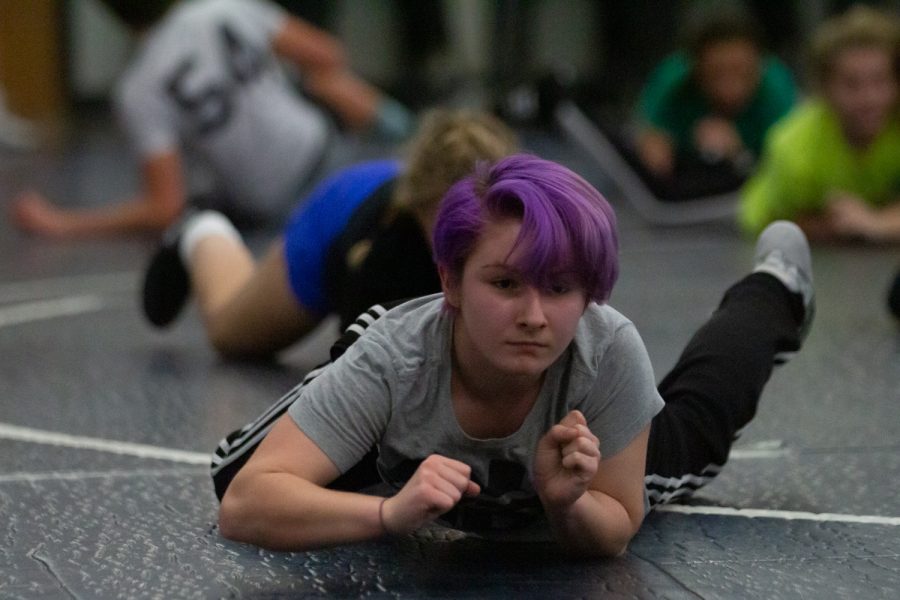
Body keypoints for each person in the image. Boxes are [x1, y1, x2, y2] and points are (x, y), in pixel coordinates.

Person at [210, 154, 815, 556]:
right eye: (504, 284)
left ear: (588, 295)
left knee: (699, 422)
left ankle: (775, 290)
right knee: (235, 467)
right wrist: (388, 515)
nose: (532, 315)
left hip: (597, 451)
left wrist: (567, 502)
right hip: (403, 388)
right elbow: (243, 501)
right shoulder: (395, 357)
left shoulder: (605, 350)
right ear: (449, 282)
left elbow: (613, 536)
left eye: (559, 288)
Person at [9, 0, 414, 238]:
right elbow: (327, 55)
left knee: (199, 208)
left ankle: (410, 143)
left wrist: (66, 223)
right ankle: (413, 135)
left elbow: (163, 208)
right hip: (329, 157)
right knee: (332, 81)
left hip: (268, 209)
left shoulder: (138, 89)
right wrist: (268, 77)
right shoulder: (222, 7)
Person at [140, 109, 518, 357]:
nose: (461, 236)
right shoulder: (381, 252)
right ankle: (203, 231)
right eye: (446, 221)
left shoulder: (520, 222)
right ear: (418, 204)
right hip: (336, 218)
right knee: (230, 334)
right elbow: (352, 366)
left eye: (476, 219)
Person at [740, 5, 900, 242]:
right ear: (823, 89)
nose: (869, 98)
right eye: (851, 84)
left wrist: (875, 221)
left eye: (880, 80)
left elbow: (869, 223)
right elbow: (774, 224)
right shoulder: (794, 149)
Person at [631, 1, 797, 200]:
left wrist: (740, 155)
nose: (730, 89)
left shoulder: (777, 88)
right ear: (696, 68)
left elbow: (792, 172)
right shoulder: (673, 81)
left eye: (741, 72)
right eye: (717, 74)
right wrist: (654, 153)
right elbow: (646, 134)